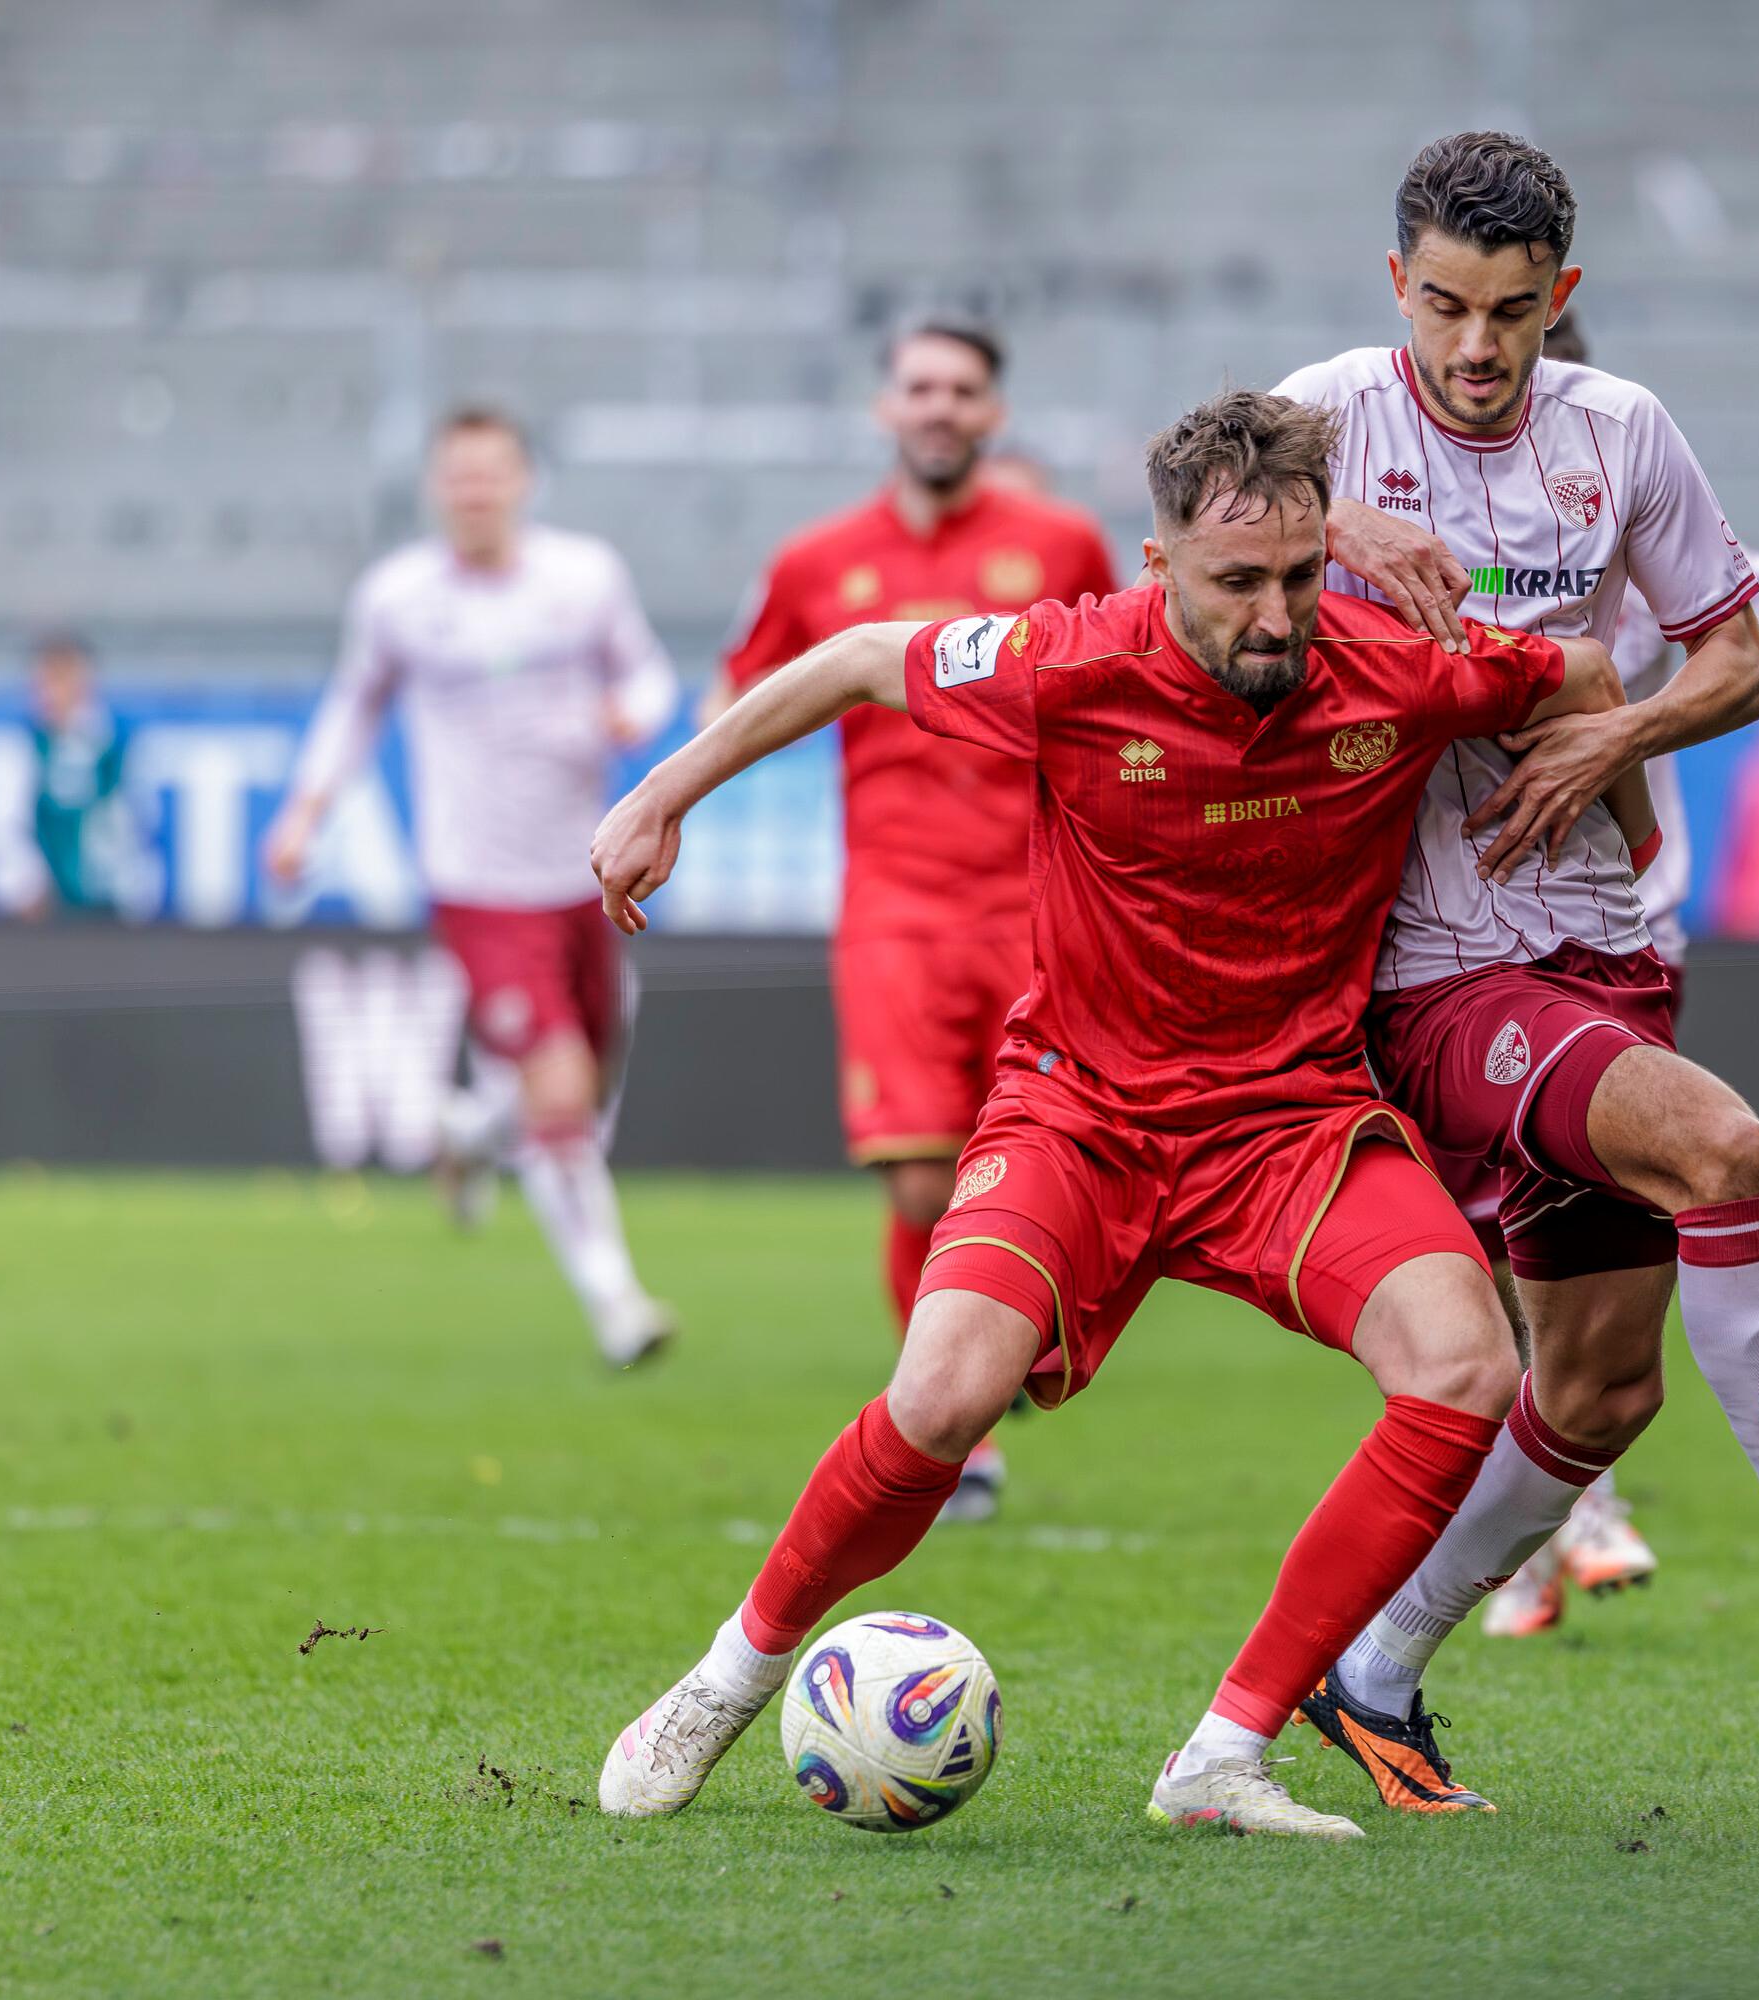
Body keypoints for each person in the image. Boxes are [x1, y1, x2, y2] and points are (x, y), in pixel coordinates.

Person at [588, 388, 1654, 1841]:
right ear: (1160, 570)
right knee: (941, 1399)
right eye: (1237, 584)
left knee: (1465, 1365)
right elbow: (850, 658)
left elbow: (1586, 669)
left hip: (1291, 1126)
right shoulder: (1068, 658)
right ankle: (725, 1679)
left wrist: (1613, 807)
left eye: (1296, 576)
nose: (1277, 616)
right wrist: (660, 797)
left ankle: (1225, 1752)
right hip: (1079, 1116)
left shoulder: (1398, 668)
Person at [1273, 132, 1759, 1819]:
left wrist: (1614, 738)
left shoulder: (1625, 435)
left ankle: (1372, 1674)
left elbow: (1743, 658)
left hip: (1601, 940)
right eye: (1443, 306)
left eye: (1512, 311)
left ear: (1560, 299)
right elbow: (1172, 545)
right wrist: (1337, 528)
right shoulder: (1320, 420)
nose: (1475, 347)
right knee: (1729, 1153)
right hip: (1432, 968)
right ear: (1397, 290)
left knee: (1599, 1381)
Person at [1463, 314, 1759, 1645]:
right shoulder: (1416, 556)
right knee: (1487, 1250)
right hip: (1443, 956)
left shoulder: (1685, 568)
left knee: (1555, 1241)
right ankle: (1562, 1508)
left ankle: (1584, 1501)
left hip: (1617, 952)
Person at [712, 321, 1117, 1522]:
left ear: (993, 414)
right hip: (893, 905)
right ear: (887, 408)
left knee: (1061, 1162)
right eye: (920, 387)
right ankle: (964, 1433)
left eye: (963, 390)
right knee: (916, 1182)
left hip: (1044, 904)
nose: (940, 407)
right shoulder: (815, 561)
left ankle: (1010, 1347)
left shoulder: (1058, 543)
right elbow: (743, 692)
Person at [265, 408, 680, 1367]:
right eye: (457, 474)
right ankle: (617, 1303)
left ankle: (466, 1128)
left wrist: (633, 712)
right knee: (563, 1090)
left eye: (491, 472)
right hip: (478, 885)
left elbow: (651, 676)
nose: (474, 490)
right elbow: (353, 707)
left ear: (524, 481)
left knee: (585, 1076)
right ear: (434, 487)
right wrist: (304, 813)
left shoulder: (585, 578)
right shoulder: (399, 599)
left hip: (583, 873)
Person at [22, 632, 135, 921]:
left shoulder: (114, 747)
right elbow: (6, 829)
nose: (48, 693)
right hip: (48, 913)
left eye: (59, 680)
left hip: (109, 908)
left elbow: (133, 826)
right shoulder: (25, 749)